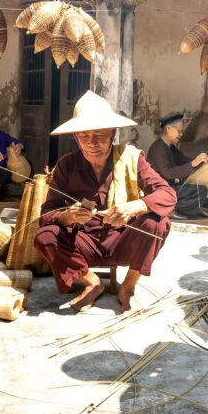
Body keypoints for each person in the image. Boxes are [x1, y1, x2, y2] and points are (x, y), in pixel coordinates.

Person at [33, 91, 176, 313]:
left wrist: (133, 207)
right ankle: (92, 283)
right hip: (84, 241)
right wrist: (68, 216)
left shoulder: (130, 158)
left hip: (123, 239)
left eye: (100, 135)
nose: (92, 143)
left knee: (157, 223)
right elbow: (47, 213)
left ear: (112, 134)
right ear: (76, 138)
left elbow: (167, 194)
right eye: (85, 136)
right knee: (45, 236)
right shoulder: (66, 165)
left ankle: (127, 288)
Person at [146, 112, 208, 219]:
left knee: (201, 189)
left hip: (170, 187)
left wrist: (201, 161)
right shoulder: (158, 148)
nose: (181, 134)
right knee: (201, 190)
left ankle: (192, 209)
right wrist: (192, 163)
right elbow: (169, 172)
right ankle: (171, 210)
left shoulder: (170, 147)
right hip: (160, 190)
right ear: (168, 129)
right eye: (179, 131)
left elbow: (184, 161)